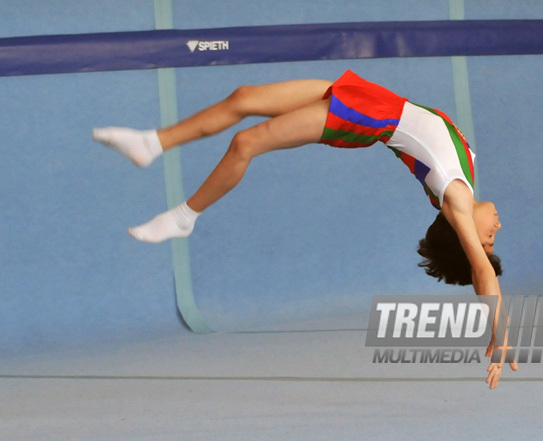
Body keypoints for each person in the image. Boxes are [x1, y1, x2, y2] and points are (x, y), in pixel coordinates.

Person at [93, 69, 517, 388]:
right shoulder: (464, 182)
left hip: (371, 118)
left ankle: (185, 216)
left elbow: (482, 273)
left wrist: (497, 335)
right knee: (242, 98)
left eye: (488, 238)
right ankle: (153, 143)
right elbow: (477, 264)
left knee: (247, 142)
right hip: (378, 98)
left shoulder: (455, 202)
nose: (496, 226)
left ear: (459, 232)